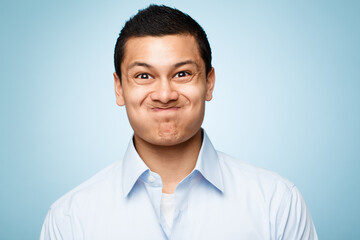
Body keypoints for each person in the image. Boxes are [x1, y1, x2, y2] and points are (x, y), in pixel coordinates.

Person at [40, 4, 318, 240]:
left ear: (209, 83)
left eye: (182, 74)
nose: (164, 95)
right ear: (119, 88)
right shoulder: (70, 218)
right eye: (144, 76)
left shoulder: (276, 203)